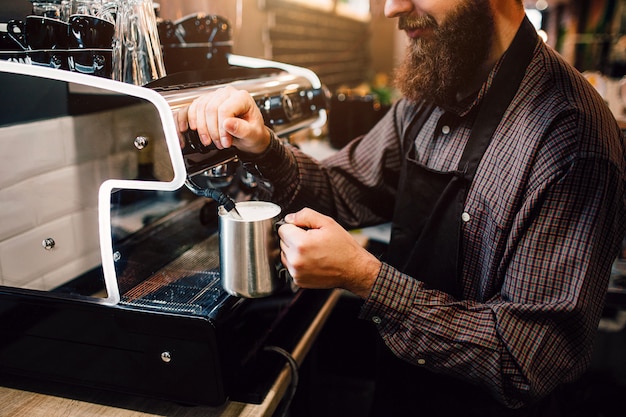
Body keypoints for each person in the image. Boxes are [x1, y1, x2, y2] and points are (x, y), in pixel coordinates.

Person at [177, 0, 626, 415]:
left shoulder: (571, 139)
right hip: (405, 390)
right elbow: (344, 190)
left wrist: (366, 279)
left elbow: (527, 360)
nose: (391, 8)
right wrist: (263, 145)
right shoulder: (437, 88)